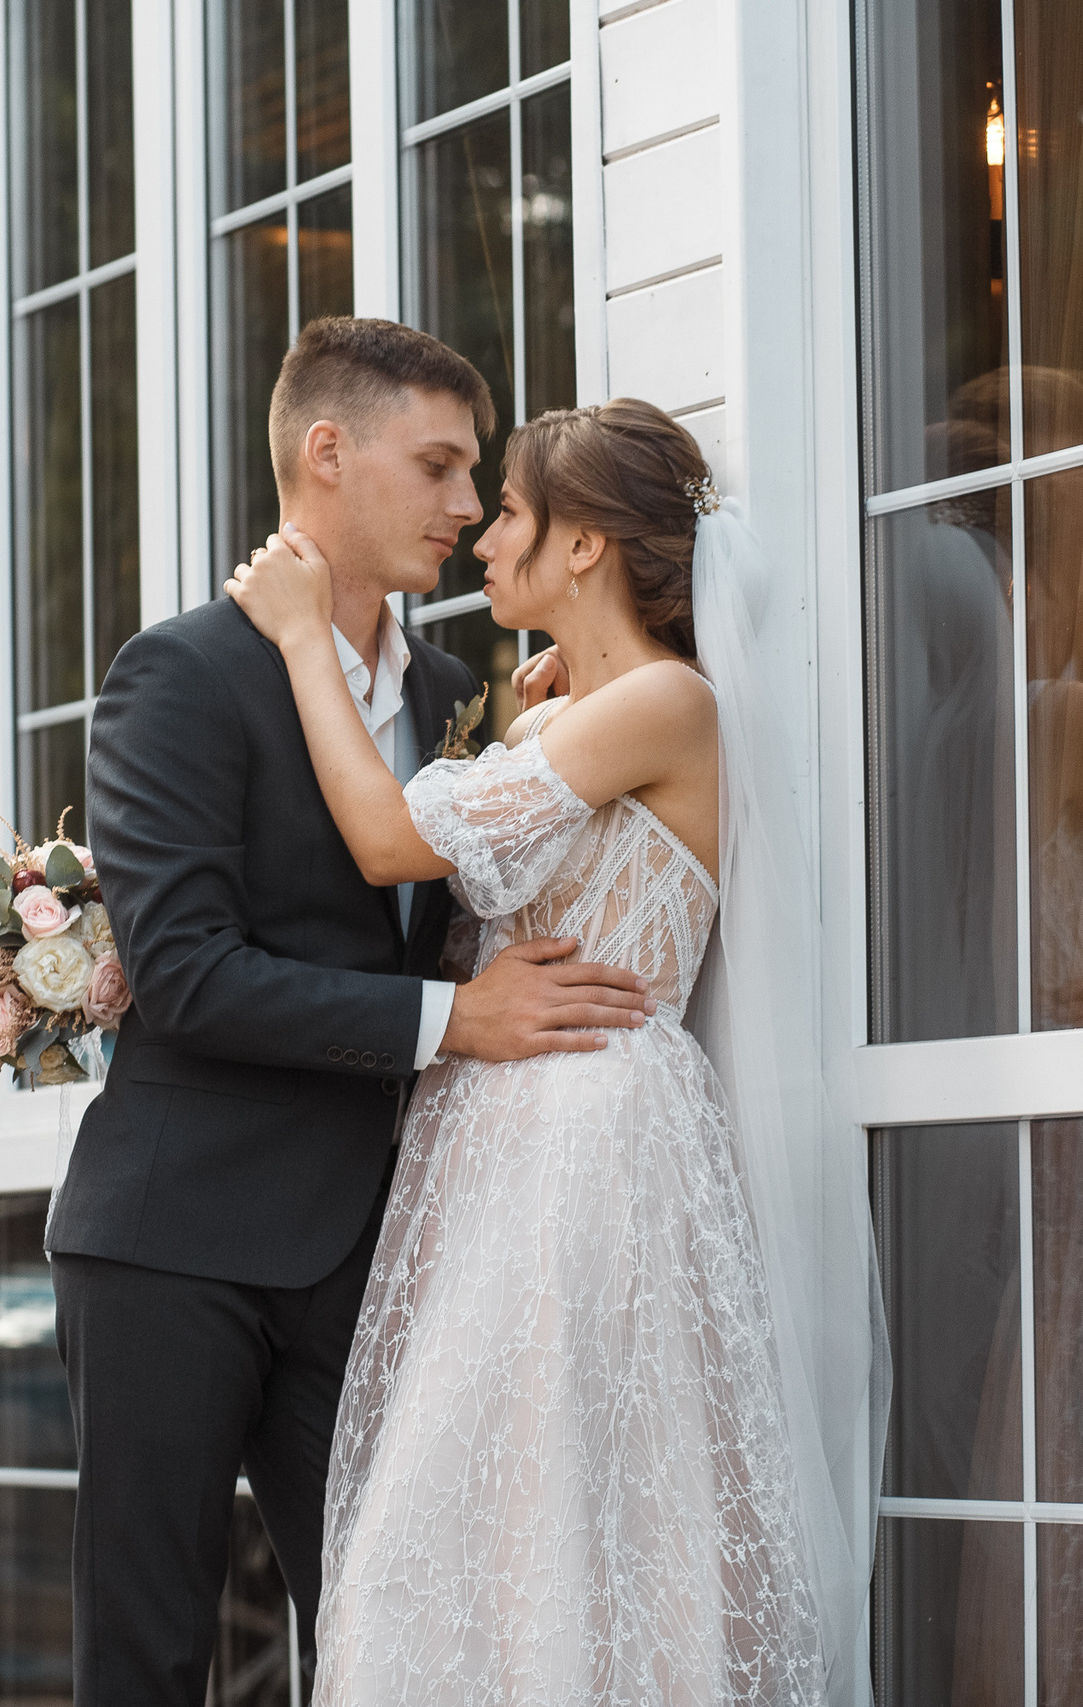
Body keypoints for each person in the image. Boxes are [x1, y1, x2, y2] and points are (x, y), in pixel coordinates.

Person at [226, 399, 885, 1704]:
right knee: (470, 1531)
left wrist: (305, 639)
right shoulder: (568, 718)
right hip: (495, 1146)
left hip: (591, 1144)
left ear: (582, 546)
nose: (482, 535)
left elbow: (388, 844)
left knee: (568, 1521)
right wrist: (532, 714)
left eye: (510, 510)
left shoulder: (667, 704)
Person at [49, 318, 657, 1705]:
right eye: (440, 467)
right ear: (328, 453)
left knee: (399, 1640)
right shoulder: (181, 677)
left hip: (375, 1254)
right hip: (175, 1242)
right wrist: (456, 1021)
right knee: (147, 1662)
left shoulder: (461, 694)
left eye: (475, 480)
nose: (464, 507)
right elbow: (188, 975)